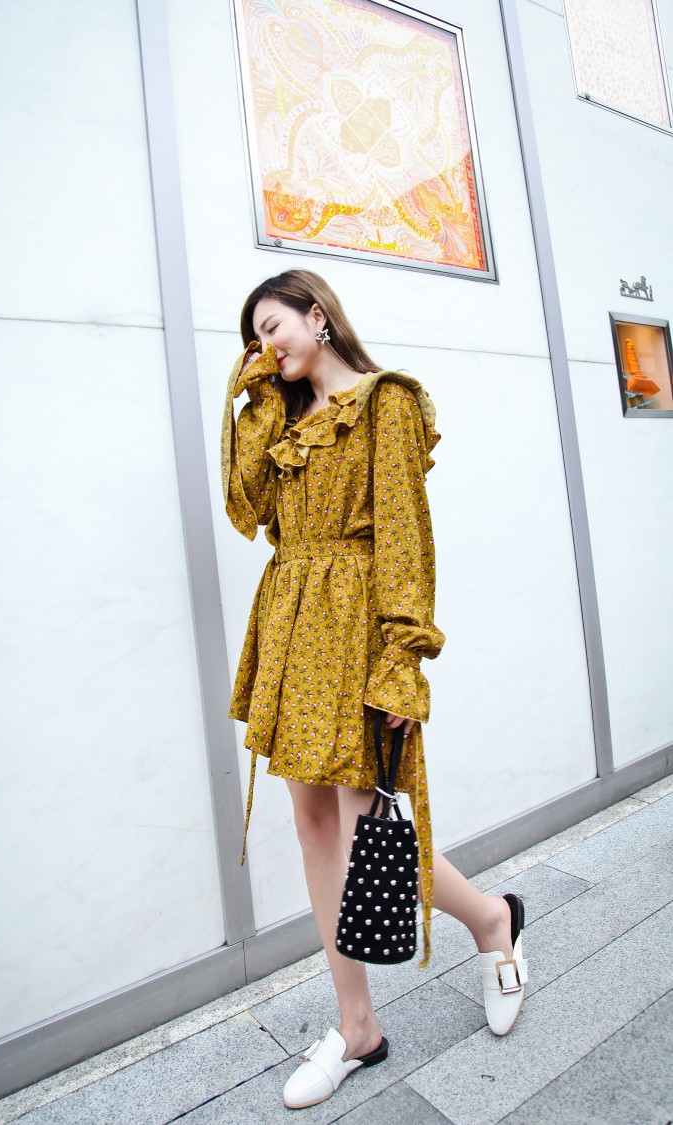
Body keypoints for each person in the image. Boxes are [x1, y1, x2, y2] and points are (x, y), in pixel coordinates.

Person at [221, 269, 528, 1110]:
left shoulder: (384, 401)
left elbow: (403, 534)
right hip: (293, 624)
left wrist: (402, 657)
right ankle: (357, 1025)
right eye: (253, 338)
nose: (265, 346)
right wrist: (254, 400)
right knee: (314, 824)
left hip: (357, 628)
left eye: (273, 327)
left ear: (318, 317)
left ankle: (491, 919)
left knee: (370, 827)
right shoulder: (283, 419)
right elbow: (246, 509)